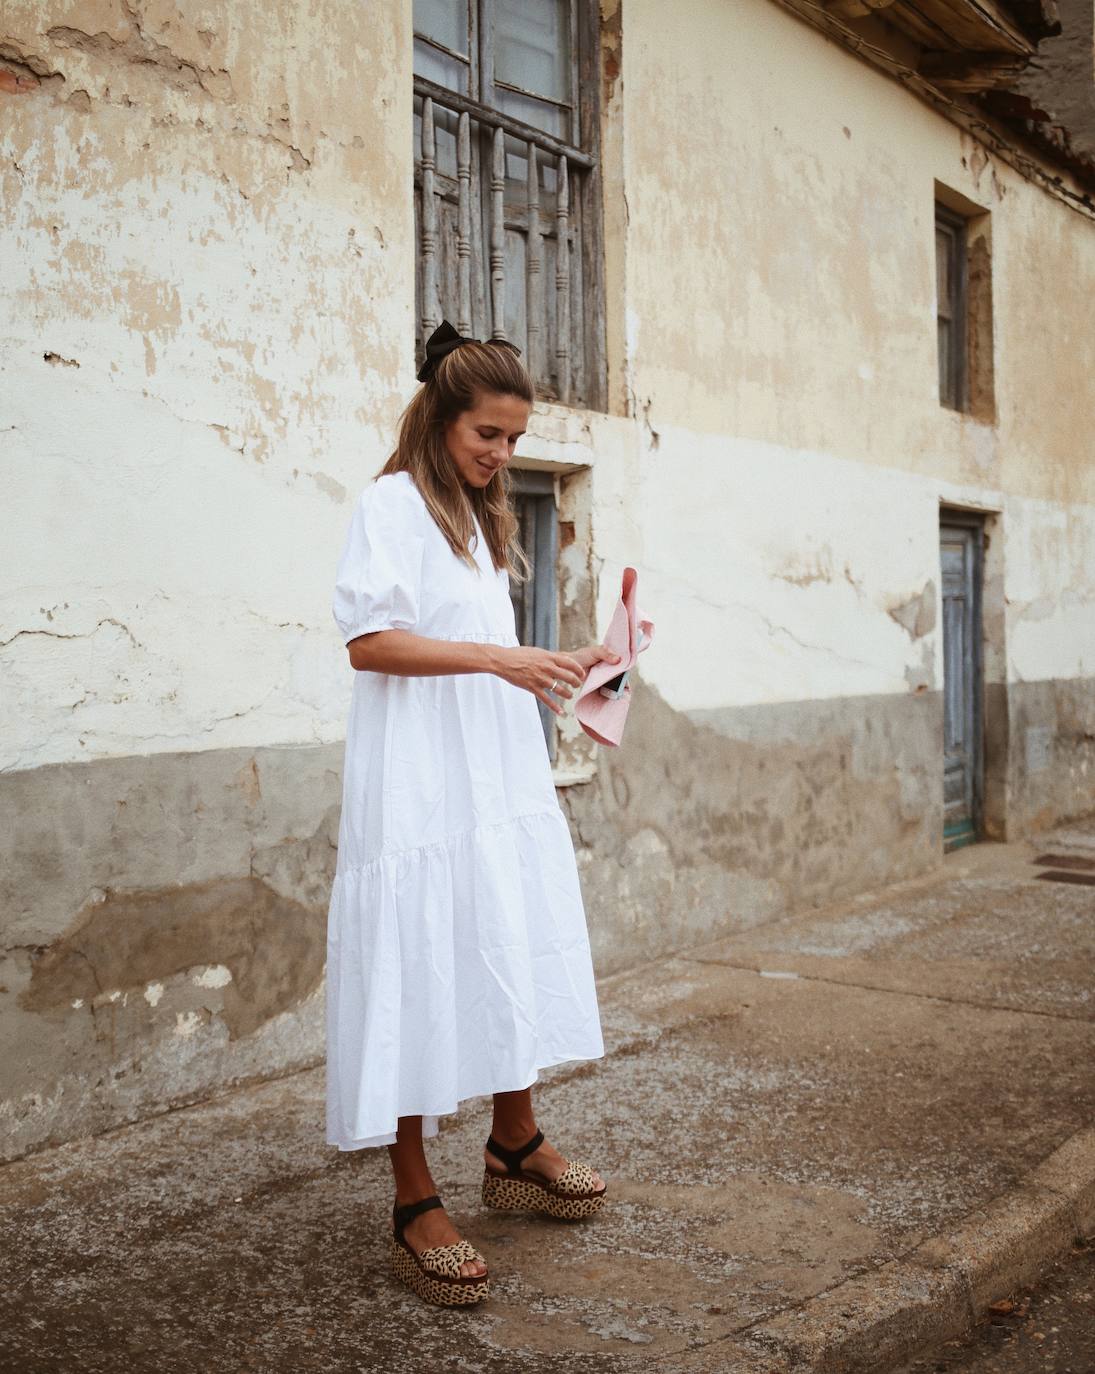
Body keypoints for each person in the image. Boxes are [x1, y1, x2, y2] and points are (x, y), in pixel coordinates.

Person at [325, 321, 622, 1307]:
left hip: (492, 767)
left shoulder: (485, 517)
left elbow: (484, 644)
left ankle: (514, 1139)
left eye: (515, 440)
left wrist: (570, 666)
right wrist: (504, 660)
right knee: (422, 950)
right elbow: (373, 643)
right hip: (417, 778)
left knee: (503, 929)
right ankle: (414, 1197)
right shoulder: (391, 505)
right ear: (440, 418)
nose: (503, 454)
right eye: (488, 435)